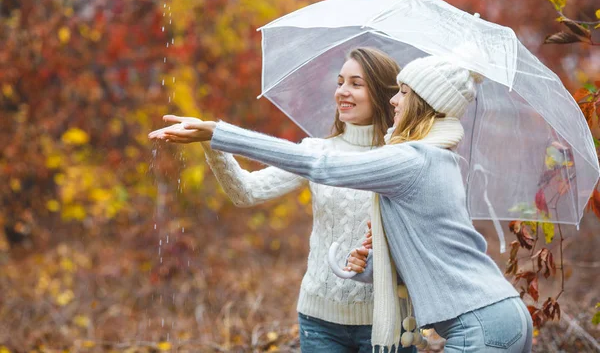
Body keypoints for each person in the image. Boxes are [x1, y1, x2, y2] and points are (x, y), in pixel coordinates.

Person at [149, 54, 534, 353]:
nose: (395, 99)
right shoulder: (434, 157)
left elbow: (322, 166)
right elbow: (426, 251)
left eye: (401, 91)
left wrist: (221, 133)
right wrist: (368, 267)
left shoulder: (407, 159)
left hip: (466, 323)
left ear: (418, 101)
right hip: (494, 313)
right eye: (339, 82)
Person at [150, 48, 417, 353]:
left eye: (356, 84)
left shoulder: (403, 158)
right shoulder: (316, 151)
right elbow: (246, 192)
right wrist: (213, 143)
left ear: (384, 93)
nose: (342, 91)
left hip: (388, 321)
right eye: (340, 81)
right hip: (320, 321)